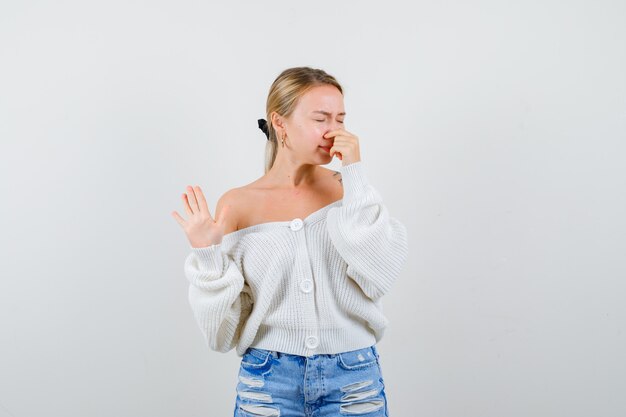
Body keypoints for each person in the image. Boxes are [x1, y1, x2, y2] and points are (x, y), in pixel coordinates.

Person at [171, 66, 409, 417]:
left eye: (341, 119)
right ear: (280, 124)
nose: (335, 131)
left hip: (353, 381)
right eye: (321, 118)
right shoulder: (237, 204)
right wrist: (207, 256)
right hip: (268, 384)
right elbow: (221, 334)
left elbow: (381, 273)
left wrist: (355, 173)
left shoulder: (352, 193)